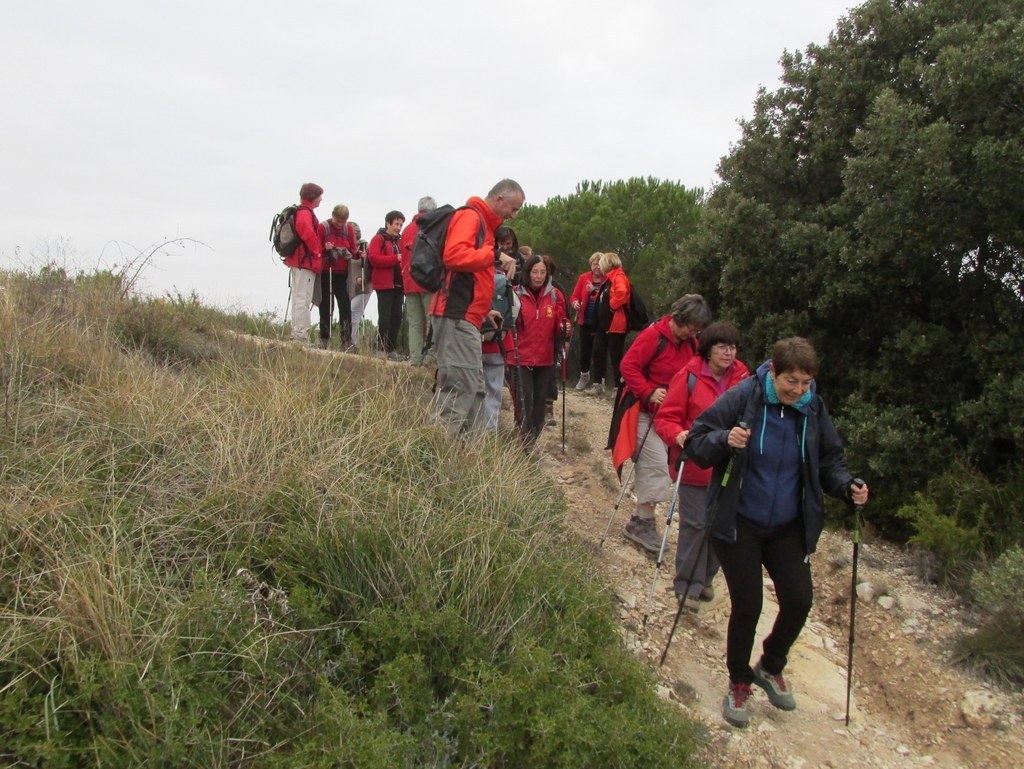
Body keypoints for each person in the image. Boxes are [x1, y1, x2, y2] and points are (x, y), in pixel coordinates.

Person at [684, 337, 869, 729]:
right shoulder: (746, 397)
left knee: (800, 600)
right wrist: (725, 439)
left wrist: (847, 485)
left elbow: (829, 461)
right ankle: (738, 682)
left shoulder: (812, 409)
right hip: (739, 521)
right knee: (748, 606)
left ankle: (769, 665)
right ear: (775, 373)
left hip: (787, 525)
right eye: (791, 381)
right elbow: (698, 441)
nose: (798, 390)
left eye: (805, 382)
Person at [654, 323, 750, 601]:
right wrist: (679, 435)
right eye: (722, 347)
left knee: (720, 528)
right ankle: (687, 586)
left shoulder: (744, 379)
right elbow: (665, 418)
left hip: (729, 468)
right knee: (695, 525)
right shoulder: (688, 376)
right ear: (708, 350)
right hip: (695, 464)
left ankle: (705, 578)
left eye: (732, 347)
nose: (729, 353)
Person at [609, 294, 712, 553]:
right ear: (679, 318)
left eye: (697, 329)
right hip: (643, 411)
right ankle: (641, 523)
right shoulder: (653, 336)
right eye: (690, 326)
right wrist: (649, 391)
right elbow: (628, 366)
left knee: (662, 467)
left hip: (670, 417)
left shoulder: (691, 344)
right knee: (657, 466)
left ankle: (641, 517)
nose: (692, 332)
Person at [430, 179, 523, 438]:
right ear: (500, 199)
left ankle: (466, 457)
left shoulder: (485, 226)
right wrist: (494, 255)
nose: (513, 216)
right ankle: (435, 450)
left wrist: (483, 311)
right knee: (462, 386)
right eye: (513, 209)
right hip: (456, 316)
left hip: (466, 316)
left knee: (474, 387)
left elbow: (468, 277)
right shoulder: (471, 218)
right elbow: (454, 256)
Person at [505, 255, 569, 450]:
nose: (539, 276)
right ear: (527, 272)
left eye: (542, 272)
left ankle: (532, 437)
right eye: (535, 272)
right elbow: (508, 324)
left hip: (545, 358)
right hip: (519, 358)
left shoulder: (555, 295)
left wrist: (565, 327)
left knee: (540, 407)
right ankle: (525, 444)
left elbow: (561, 321)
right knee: (524, 403)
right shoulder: (515, 294)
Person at [482, 226, 520, 430]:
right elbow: (516, 307)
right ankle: (489, 432)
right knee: (494, 389)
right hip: (499, 342)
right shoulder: (506, 275)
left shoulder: (476, 273)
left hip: (474, 341)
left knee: (471, 389)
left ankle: (470, 434)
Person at [282, 183, 325, 345]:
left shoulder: (301, 211)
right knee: (303, 298)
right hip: (304, 261)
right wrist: (317, 252)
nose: (321, 199)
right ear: (312, 197)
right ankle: (300, 334)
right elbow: (306, 232)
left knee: (298, 296)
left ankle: (297, 332)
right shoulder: (305, 213)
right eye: (319, 196)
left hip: (298, 260)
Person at [400, 196, 437, 366]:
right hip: (428, 280)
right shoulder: (434, 226)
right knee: (431, 321)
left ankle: (414, 359)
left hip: (409, 280)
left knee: (414, 322)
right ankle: (430, 358)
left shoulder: (407, 229)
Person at [589, 251, 630, 395]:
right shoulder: (610, 278)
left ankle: (618, 387)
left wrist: (611, 307)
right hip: (605, 324)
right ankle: (598, 383)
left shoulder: (618, 276)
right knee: (598, 352)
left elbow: (622, 294)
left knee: (616, 356)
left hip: (616, 325)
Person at [319, 204, 357, 349]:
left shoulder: (349, 229)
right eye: (337, 221)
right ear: (332, 216)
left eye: (343, 221)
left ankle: (346, 340)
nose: (340, 225)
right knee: (327, 306)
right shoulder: (324, 227)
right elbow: (316, 247)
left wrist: (357, 253)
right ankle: (324, 338)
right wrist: (325, 248)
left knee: (345, 306)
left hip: (343, 274)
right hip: (326, 271)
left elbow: (353, 250)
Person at [368, 210, 406, 360]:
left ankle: (391, 348)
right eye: (396, 224)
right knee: (385, 316)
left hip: (399, 284)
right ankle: (380, 347)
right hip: (384, 283)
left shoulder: (400, 241)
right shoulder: (378, 239)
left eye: (401, 225)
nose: (398, 227)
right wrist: (395, 258)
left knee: (397, 317)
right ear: (388, 223)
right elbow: (374, 259)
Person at [541, 253, 571, 427]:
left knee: (550, 375)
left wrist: (565, 332)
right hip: (531, 342)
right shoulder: (525, 288)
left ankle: (548, 409)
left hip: (551, 340)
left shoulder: (556, 290)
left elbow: (564, 315)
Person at [569, 252, 606, 391]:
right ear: (590, 265)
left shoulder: (607, 280)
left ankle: (599, 381)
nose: (597, 267)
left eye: (599, 264)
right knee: (585, 351)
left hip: (602, 322)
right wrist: (575, 303)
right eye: (594, 264)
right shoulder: (584, 278)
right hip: (586, 319)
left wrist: (593, 293)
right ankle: (584, 376)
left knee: (599, 351)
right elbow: (574, 295)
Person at [347, 222, 372, 348]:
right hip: (349, 285)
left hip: (363, 286)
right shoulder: (346, 247)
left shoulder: (364, 247)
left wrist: (364, 278)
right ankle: (350, 342)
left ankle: (353, 342)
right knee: (351, 313)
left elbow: (371, 265)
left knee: (354, 312)